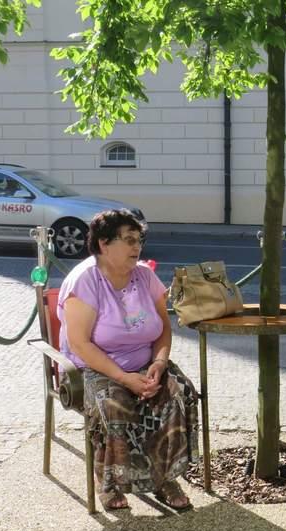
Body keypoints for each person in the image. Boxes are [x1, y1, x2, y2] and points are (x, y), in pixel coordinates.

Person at [57, 209, 199, 511]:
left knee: (178, 393)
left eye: (139, 240)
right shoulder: (85, 281)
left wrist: (159, 363)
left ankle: (165, 477)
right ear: (104, 244)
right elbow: (79, 344)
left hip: (146, 365)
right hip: (96, 368)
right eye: (129, 240)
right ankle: (110, 482)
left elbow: (162, 331)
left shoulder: (145, 276)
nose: (137, 247)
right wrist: (124, 378)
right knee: (115, 404)